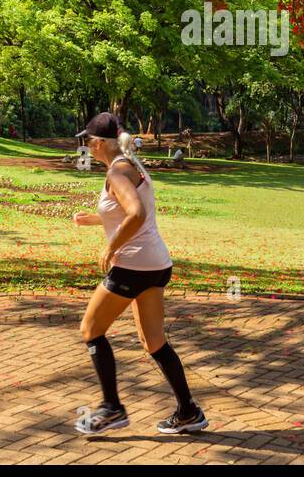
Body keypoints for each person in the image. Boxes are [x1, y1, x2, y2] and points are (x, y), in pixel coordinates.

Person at [71, 112, 207, 436]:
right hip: (156, 264)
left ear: (100, 143)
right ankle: (188, 411)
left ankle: (111, 409)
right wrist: (92, 219)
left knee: (90, 330)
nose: (86, 146)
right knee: (154, 341)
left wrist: (110, 246)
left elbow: (136, 213)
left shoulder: (117, 172)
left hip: (131, 265)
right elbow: (126, 214)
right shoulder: (132, 166)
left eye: (88, 140)